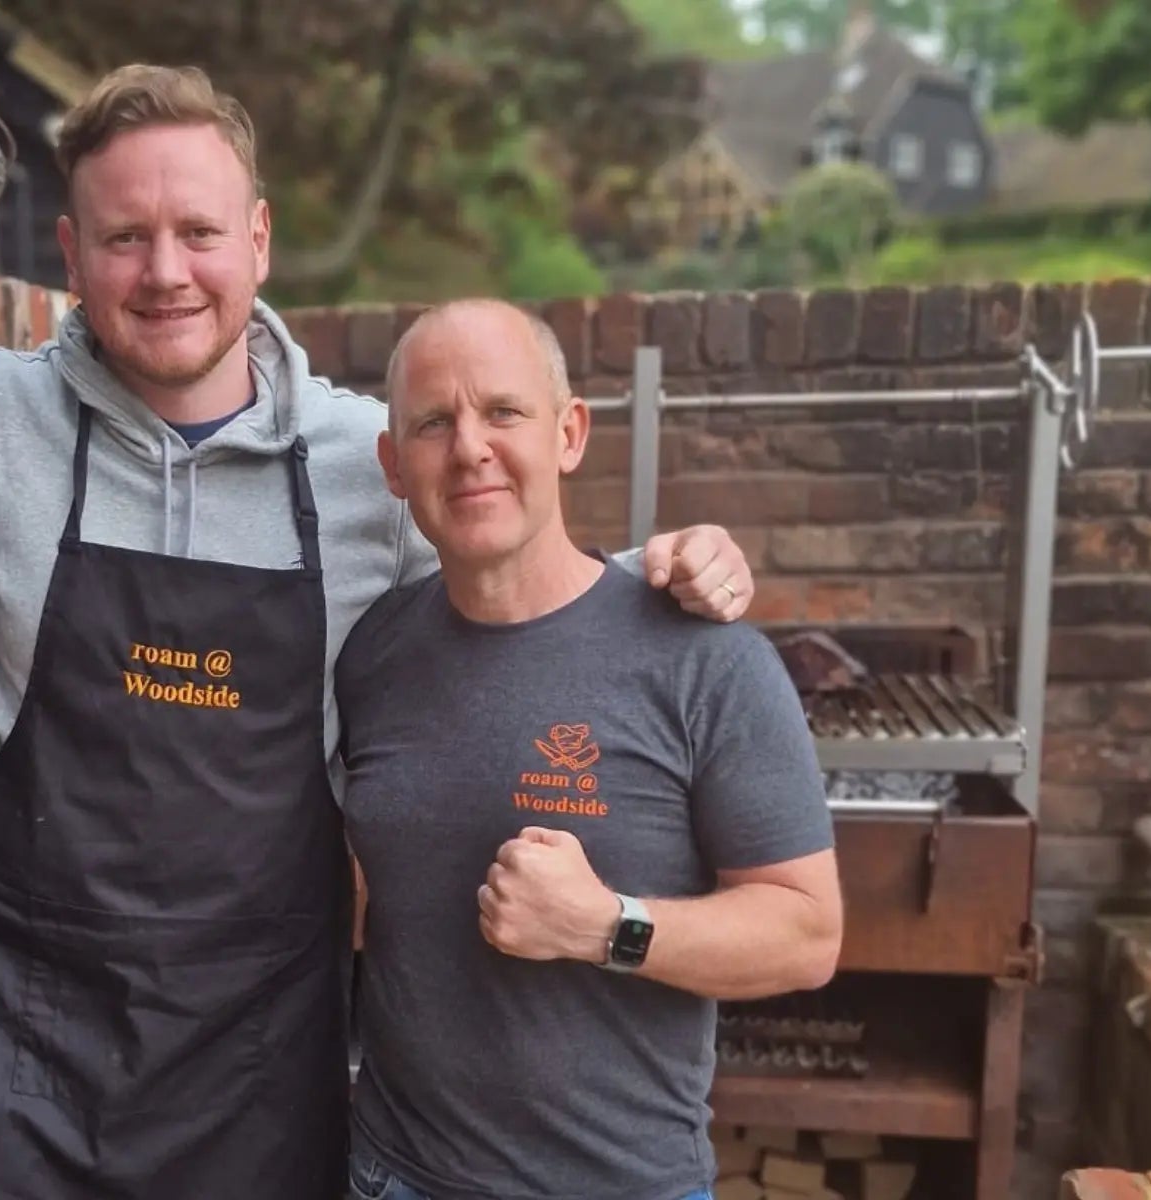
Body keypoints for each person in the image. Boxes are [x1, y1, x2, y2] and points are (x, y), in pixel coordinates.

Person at [0, 65, 762, 1199]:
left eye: (199, 233)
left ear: (260, 242)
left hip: (257, 1055)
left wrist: (664, 570)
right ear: (72, 253)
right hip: (19, 1045)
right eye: (125, 237)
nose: (165, 270)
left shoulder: (369, 461)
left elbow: (518, 567)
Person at [334, 299, 843, 1200]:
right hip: (391, 1177)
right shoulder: (373, 655)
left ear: (569, 433)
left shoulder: (704, 658)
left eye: (503, 411)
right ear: (393, 469)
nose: (469, 448)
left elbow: (806, 934)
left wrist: (609, 927)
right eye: (432, 423)